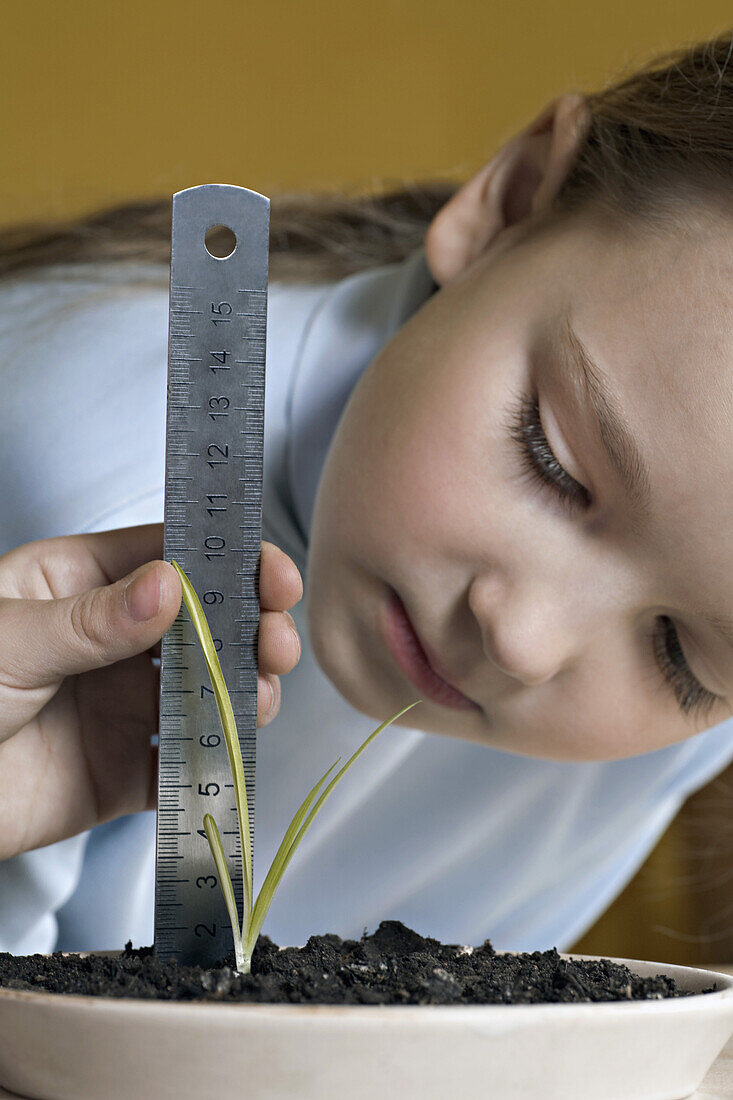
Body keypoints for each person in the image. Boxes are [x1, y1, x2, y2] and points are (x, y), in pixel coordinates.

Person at [0, 30, 732, 957]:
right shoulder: (81, 494)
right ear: (511, 199)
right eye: (551, 462)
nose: (523, 640)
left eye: (677, 656)